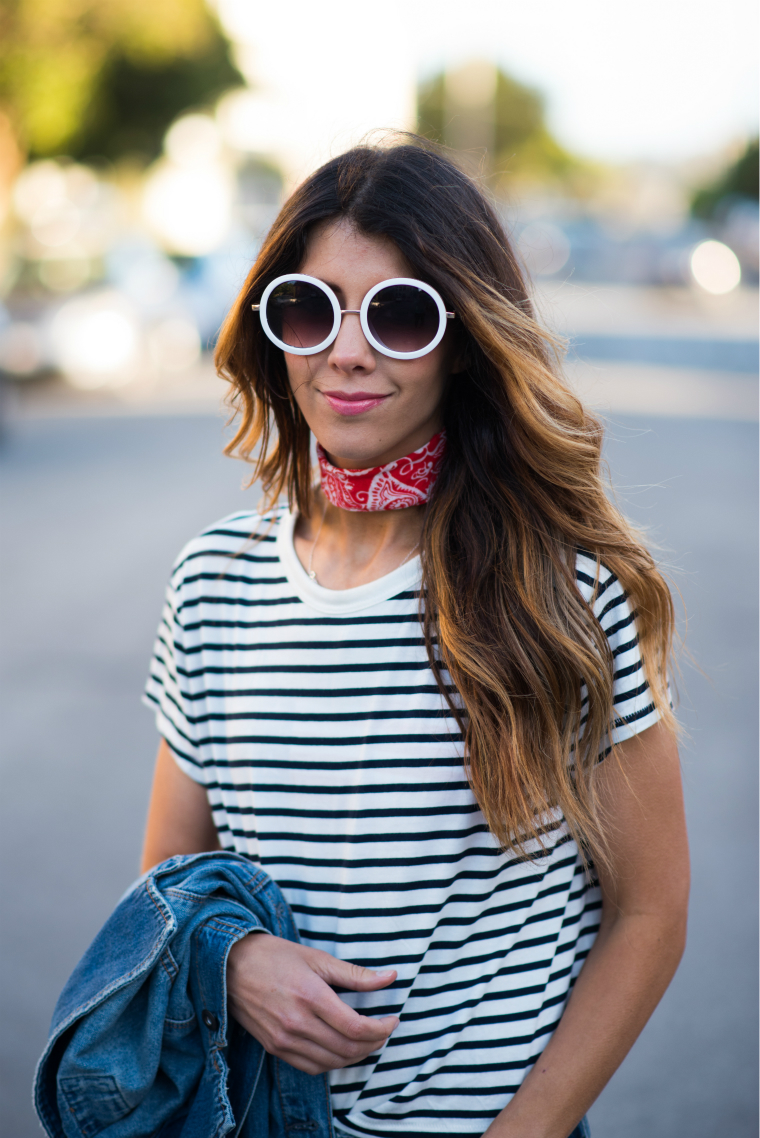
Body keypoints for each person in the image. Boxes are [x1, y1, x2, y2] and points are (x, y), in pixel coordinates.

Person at [141, 140, 689, 1138]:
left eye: (399, 315)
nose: (347, 350)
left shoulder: (566, 589)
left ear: (465, 341)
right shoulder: (210, 581)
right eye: (309, 307)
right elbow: (171, 879)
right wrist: (234, 957)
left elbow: (649, 911)